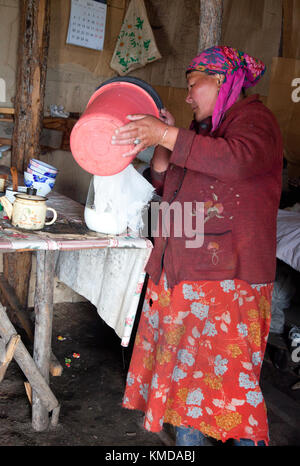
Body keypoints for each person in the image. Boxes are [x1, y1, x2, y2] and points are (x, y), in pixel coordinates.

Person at [111, 46, 283, 446]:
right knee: (185, 390)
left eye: (192, 86)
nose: (187, 96)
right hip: (185, 276)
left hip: (229, 282)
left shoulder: (256, 121)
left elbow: (236, 161)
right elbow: (165, 187)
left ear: (221, 81)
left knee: (232, 396)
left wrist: (169, 133)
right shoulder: (204, 131)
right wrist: (163, 145)